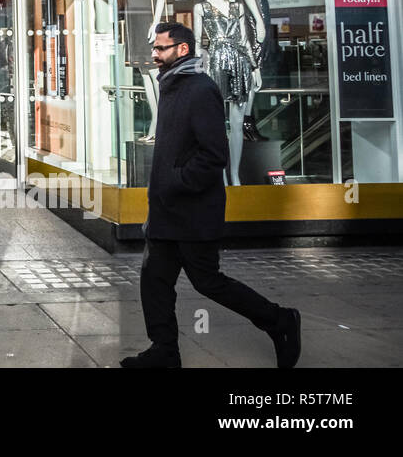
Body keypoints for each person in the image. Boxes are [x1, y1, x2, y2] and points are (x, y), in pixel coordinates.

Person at [121, 22, 300, 368]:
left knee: (208, 281)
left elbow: (214, 154)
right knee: (154, 280)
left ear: (182, 50)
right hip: (166, 212)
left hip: (192, 211)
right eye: (155, 48)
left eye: (161, 49)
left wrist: (175, 181)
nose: (154, 55)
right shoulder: (172, 86)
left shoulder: (199, 89)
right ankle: (165, 351)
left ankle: (279, 320)